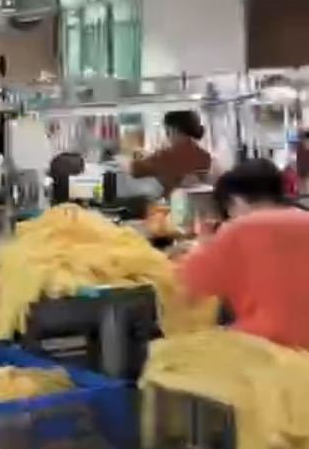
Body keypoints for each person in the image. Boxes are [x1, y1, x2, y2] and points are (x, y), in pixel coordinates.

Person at [174, 158, 309, 348]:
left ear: (235, 200)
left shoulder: (239, 228)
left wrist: (203, 245)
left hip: (267, 348)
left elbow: (190, 282)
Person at [130, 108, 210, 196]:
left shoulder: (164, 156)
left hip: (173, 202)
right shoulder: (205, 156)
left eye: (167, 130)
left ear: (174, 129)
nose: (167, 135)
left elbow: (135, 170)